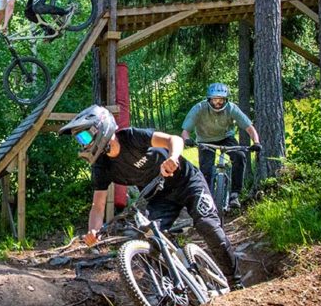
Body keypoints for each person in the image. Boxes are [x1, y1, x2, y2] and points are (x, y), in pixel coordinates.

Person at [59, 105, 243, 288]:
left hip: (187, 182)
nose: (83, 144)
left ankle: (235, 283)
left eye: (84, 137)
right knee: (151, 242)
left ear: (100, 128)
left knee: (208, 225)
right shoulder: (101, 166)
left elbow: (174, 139)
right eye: (79, 140)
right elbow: (97, 207)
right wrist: (93, 231)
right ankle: (175, 292)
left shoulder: (131, 137)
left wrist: (173, 158)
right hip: (159, 198)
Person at [181, 83, 261, 209]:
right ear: (209, 99)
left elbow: (248, 127)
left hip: (226, 138)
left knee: (239, 157)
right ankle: (205, 200)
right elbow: (185, 130)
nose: (218, 103)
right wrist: (187, 140)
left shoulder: (231, 108)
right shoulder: (199, 108)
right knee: (206, 170)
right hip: (205, 140)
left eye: (221, 100)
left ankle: (235, 194)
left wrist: (256, 142)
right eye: (215, 99)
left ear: (226, 100)